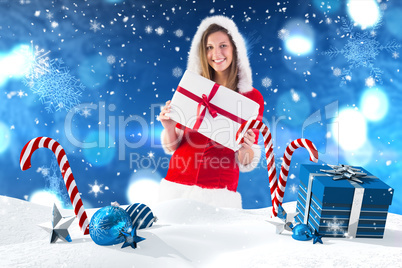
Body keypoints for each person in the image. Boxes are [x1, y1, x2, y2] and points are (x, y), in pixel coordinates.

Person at [158, 15, 264, 208]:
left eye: (223, 45)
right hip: (176, 183)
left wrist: (245, 147)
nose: (217, 53)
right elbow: (174, 146)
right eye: (210, 47)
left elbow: (245, 162)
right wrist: (169, 127)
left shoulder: (251, 98)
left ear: (235, 49)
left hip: (218, 190)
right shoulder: (193, 87)